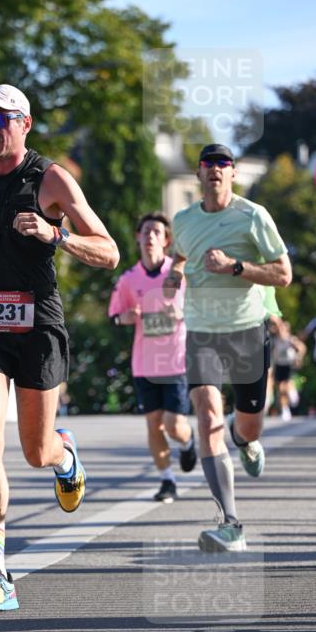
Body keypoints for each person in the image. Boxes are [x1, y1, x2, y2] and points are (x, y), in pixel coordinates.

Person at [0, 84, 118, 612]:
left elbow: (109, 251)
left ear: (25, 124)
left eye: (1, 119)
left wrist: (55, 235)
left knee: (35, 451)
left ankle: (64, 455)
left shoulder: (52, 179)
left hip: (38, 322)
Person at [164, 144, 291, 552]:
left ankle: (246, 439)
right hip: (201, 331)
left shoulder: (253, 216)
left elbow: (284, 274)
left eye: (223, 164)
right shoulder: (183, 219)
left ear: (233, 174)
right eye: (208, 164)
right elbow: (178, 255)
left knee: (247, 425)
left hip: (246, 331)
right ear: (199, 174)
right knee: (205, 416)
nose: (215, 170)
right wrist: (175, 275)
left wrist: (236, 267)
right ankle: (230, 524)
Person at [108, 211, 196, 502]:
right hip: (144, 364)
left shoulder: (177, 274)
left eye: (157, 232)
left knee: (174, 425)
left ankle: (187, 443)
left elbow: (201, 308)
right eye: (145, 231)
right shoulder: (129, 279)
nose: (150, 237)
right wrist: (126, 318)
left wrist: (183, 313)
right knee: (153, 425)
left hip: (175, 361)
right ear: (137, 237)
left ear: (166, 240)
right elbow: (114, 317)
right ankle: (167, 480)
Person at [269, 316, 305, 420]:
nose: (281, 331)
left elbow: (302, 348)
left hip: (289, 365)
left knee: (287, 385)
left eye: (283, 329)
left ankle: (293, 393)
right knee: (281, 388)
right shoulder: (274, 340)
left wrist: (299, 358)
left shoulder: (291, 339)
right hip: (279, 365)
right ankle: (285, 409)